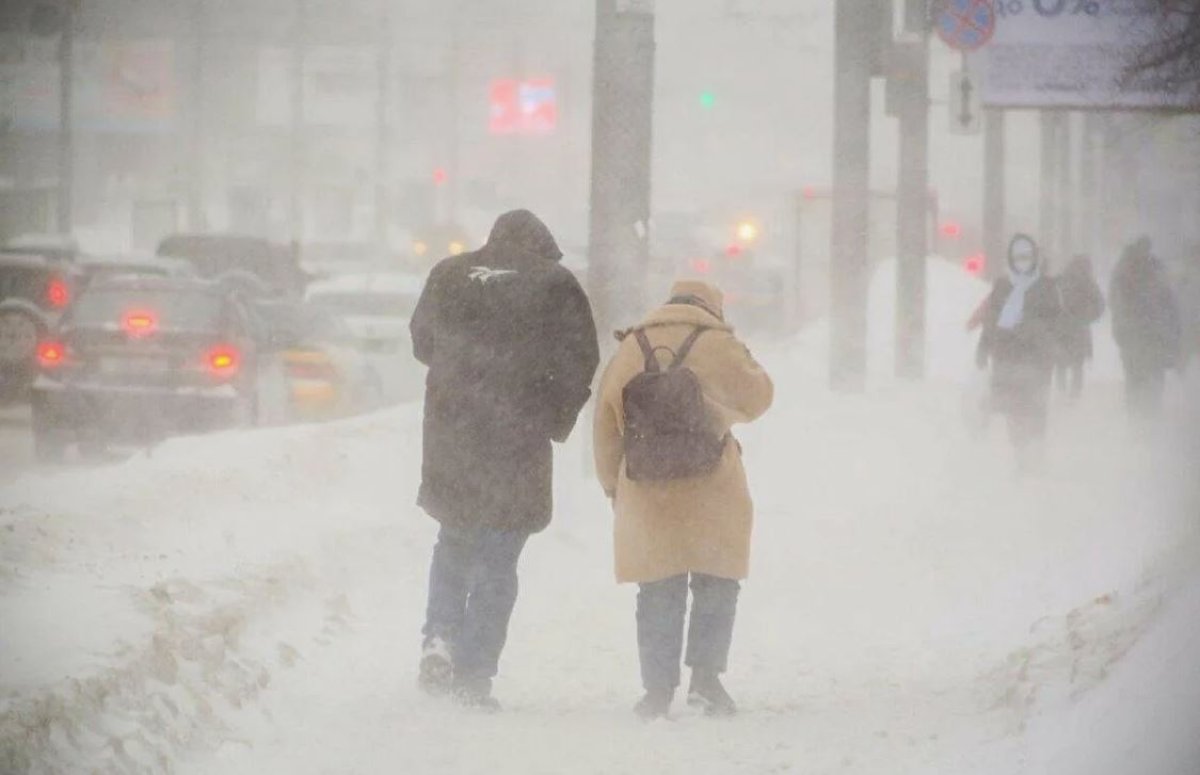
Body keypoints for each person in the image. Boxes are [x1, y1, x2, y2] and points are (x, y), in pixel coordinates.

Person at [410, 210, 599, 710]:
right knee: (498, 556)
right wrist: (551, 415)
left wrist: (462, 377)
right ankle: (474, 675)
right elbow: (581, 359)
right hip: (517, 441)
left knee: (454, 538)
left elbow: (422, 343)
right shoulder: (554, 283)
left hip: (453, 435)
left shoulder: (448, 274)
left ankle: (439, 637)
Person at [593, 280, 773, 720]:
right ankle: (706, 683)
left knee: (658, 587)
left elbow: (606, 424)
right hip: (712, 485)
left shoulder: (632, 345)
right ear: (712, 306)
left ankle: (657, 691)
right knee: (716, 582)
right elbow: (761, 395)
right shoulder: (718, 343)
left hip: (647, 487)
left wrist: (613, 485)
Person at [975, 234, 1062, 469]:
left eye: (1027, 256)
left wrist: (1031, 329)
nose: (1023, 261)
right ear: (1010, 259)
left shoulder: (1046, 287)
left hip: (1036, 361)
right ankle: (1021, 454)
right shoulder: (1002, 286)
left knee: (1035, 409)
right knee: (1012, 408)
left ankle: (1035, 454)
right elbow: (992, 320)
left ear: (1035, 257)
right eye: (1018, 257)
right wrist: (983, 346)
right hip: (1006, 358)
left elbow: (1056, 323)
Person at [1109, 237, 1181, 420]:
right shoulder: (1152, 269)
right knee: (1150, 375)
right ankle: (1147, 415)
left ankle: (1139, 416)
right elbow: (1170, 302)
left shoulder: (1124, 269)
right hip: (1148, 333)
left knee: (1138, 376)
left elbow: (1115, 302)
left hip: (1138, 334)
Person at [1052, 254, 1106, 401]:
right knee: (1077, 364)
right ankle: (1074, 395)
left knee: (1061, 363)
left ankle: (1061, 392)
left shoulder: (1061, 280)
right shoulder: (1088, 282)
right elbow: (1100, 305)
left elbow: (1048, 302)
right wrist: (1087, 315)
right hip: (1079, 329)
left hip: (1061, 328)